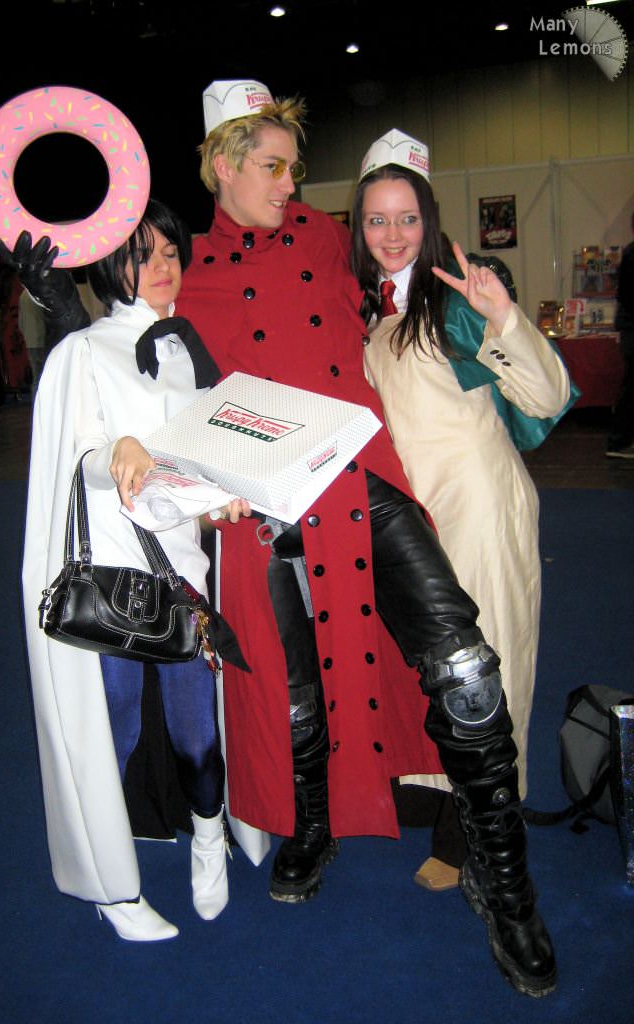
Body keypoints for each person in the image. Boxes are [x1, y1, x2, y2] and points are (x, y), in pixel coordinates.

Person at [11, 81, 557, 997]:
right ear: (224, 165)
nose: (290, 182)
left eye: (294, 167)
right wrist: (65, 312)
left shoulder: (326, 240)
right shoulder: (190, 272)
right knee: (292, 689)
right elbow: (133, 362)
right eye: (273, 165)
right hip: (263, 509)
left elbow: (398, 271)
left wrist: (489, 315)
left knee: (463, 664)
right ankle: (309, 826)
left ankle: (509, 892)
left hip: (365, 482)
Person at [19, 199, 252, 943]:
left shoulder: (190, 350)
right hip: (114, 568)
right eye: (142, 254)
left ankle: (209, 840)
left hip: (183, 567)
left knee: (196, 731)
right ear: (112, 267)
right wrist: (117, 448)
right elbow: (78, 459)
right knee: (112, 730)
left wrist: (227, 496)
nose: (161, 266)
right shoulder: (84, 350)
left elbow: (206, 456)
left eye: (171, 252)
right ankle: (111, 888)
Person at [351, 129, 574, 892]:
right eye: (377, 219)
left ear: (430, 219)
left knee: (490, 660)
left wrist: (503, 316)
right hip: (414, 518)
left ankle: (475, 829)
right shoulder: (366, 309)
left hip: (479, 505)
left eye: (407, 218)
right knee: (431, 661)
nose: (392, 235)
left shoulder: (454, 300)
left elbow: (546, 397)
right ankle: (435, 787)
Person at [606, 212, 634, 458]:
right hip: (632, 328)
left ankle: (620, 440)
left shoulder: (630, 253)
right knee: (631, 387)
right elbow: (626, 295)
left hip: (629, 326)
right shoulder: (631, 253)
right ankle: (619, 441)